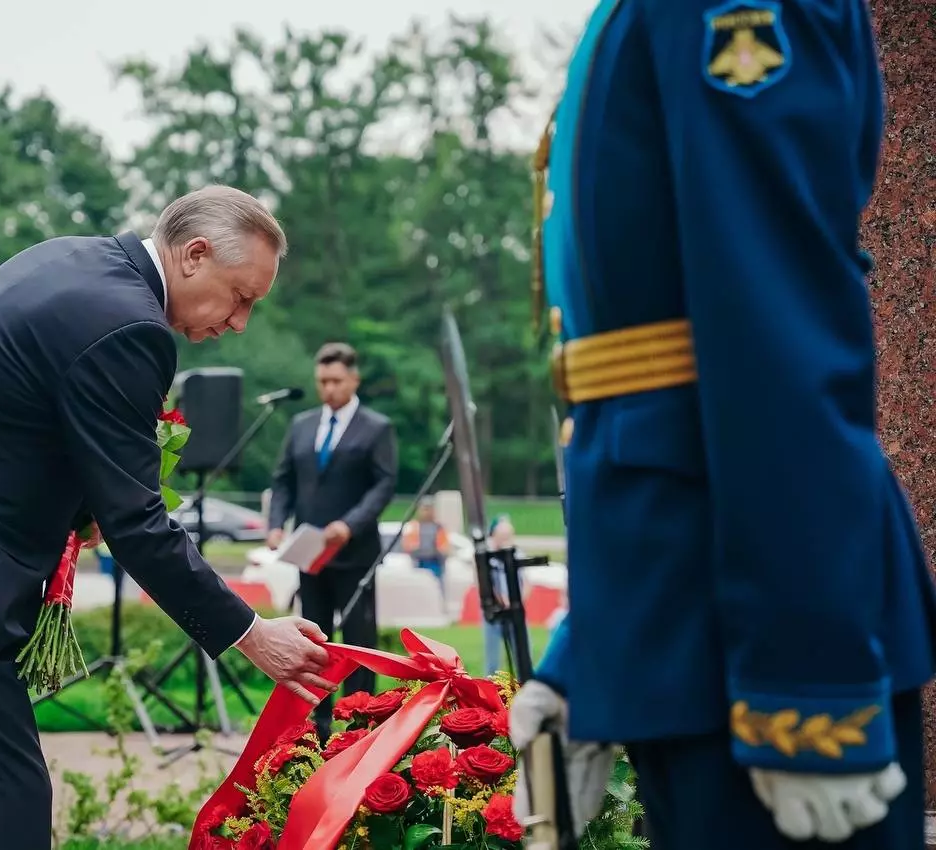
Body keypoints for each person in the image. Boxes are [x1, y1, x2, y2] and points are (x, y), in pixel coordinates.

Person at [508, 2, 936, 849]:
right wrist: (594, 641)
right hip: (685, 616)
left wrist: (806, 681)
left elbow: (774, 334)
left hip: (756, 639)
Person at [0, 186, 334, 850]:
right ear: (195, 254)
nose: (240, 322)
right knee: (8, 814)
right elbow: (140, 524)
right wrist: (251, 633)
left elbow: (15, 422)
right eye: (241, 296)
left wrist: (77, 505)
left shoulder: (67, 257)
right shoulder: (131, 326)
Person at [266, 341, 398, 741]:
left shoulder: (376, 428)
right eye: (322, 381)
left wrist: (350, 524)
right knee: (314, 641)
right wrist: (276, 523)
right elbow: (283, 479)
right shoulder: (302, 425)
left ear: (353, 379)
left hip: (354, 552)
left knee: (359, 642)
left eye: (336, 381)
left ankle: (360, 724)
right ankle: (317, 725)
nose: (329, 389)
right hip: (311, 554)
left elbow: (384, 484)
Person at [481, 514, 514, 678]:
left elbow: (526, 581)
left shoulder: (515, 554)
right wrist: (503, 601)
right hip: (494, 610)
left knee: (520, 652)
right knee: (492, 658)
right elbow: (487, 584)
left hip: (514, 610)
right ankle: (491, 687)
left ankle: (523, 684)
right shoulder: (488, 557)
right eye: (502, 536)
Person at [401, 496, 449, 589]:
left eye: (430, 509)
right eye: (425, 509)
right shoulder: (412, 527)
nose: (427, 512)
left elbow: (444, 548)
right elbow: (407, 547)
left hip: (435, 563)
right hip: (417, 563)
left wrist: (439, 551)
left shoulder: (439, 528)